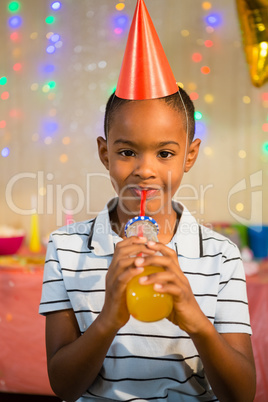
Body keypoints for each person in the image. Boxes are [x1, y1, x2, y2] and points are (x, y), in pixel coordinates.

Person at [39, 1, 256, 401]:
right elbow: (64, 387)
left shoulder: (222, 256)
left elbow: (241, 393)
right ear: (105, 154)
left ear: (189, 156)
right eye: (126, 152)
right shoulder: (65, 249)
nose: (144, 169)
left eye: (165, 153)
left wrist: (197, 321)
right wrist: (108, 319)